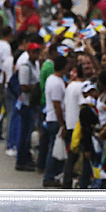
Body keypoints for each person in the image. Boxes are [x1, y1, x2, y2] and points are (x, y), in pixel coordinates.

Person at [39, 55, 68, 187]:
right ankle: (50, 175)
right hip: (55, 119)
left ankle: (52, 174)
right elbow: (57, 104)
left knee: (54, 148)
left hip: (51, 118)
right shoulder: (56, 83)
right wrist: (62, 123)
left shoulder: (54, 79)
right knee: (55, 150)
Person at [15, 43, 41, 171]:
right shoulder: (25, 67)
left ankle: (27, 157)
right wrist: (36, 87)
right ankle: (21, 160)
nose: (36, 55)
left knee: (29, 133)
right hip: (26, 104)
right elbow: (23, 86)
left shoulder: (35, 65)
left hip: (32, 104)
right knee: (25, 134)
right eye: (34, 52)